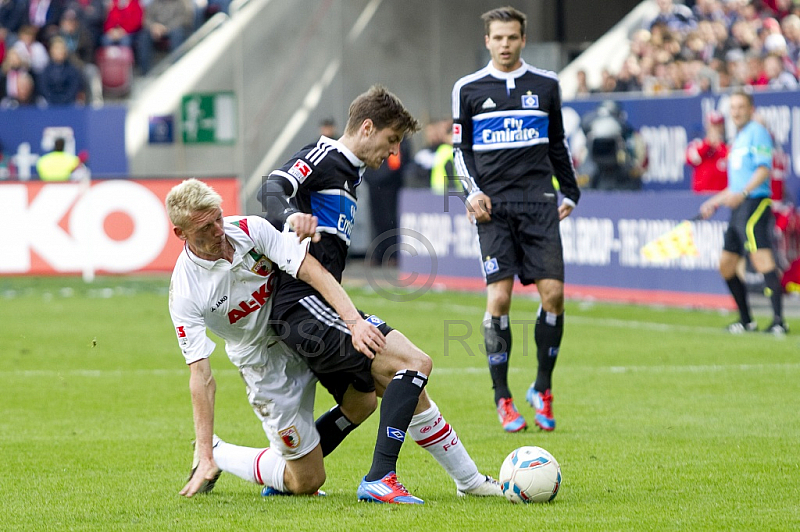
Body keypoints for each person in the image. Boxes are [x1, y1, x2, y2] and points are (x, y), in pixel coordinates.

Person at [258, 85, 502, 503]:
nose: (391, 152)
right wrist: (290, 214)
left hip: (315, 304)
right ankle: (379, 477)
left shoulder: (351, 174)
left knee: (365, 402)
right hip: (301, 303)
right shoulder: (323, 156)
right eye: (390, 141)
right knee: (414, 363)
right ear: (367, 127)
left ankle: (469, 481)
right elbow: (271, 187)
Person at [167, 178, 388, 498]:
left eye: (218, 217)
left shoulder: (249, 228)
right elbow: (201, 376)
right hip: (264, 366)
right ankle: (217, 454)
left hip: (303, 333)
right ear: (181, 233)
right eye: (205, 228)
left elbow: (309, 269)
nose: (218, 230)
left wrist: (354, 322)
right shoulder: (185, 291)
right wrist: (203, 449)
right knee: (308, 482)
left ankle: (448, 477)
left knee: (363, 400)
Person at [451, 6, 580, 433]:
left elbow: (557, 142)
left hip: (540, 202)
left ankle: (542, 386)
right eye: (498, 38)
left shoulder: (547, 85)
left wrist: (571, 191)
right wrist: (472, 194)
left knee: (555, 295)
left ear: (523, 39)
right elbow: (459, 152)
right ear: (486, 41)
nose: (505, 44)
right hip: (494, 207)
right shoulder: (467, 89)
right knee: (500, 300)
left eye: (512, 37)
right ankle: (502, 397)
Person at [700, 90, 788, 335]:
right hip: (739, 206)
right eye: (733, 107)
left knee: (762, 259)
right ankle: (746, 320)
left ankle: (779, 320)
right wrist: (714, 202)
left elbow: (763, 170)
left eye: (741, 107)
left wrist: (744, 193)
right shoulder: (738, 139)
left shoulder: (757, 132)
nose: (736, 111)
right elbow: (734, 186)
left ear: (750, 109)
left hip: (755, 203)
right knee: (726, 265)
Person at [363, 137, 412, 266]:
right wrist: (372, 178)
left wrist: (376, 178)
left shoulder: (398, 140)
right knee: (376, 220)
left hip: (391, 187)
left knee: (391, 220)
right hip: (375, 186)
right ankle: (379, 254)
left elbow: (395, 165)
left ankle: (392, 255)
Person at [686, 110, 728, 193]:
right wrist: (708, 144)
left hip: (721, 196)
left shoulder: (727, 147)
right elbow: (691, 159)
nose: (715, 129)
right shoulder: (697, 144)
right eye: (713, 125)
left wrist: (719, 146)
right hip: (701, 196)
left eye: (718, 125)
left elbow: (730, 160)